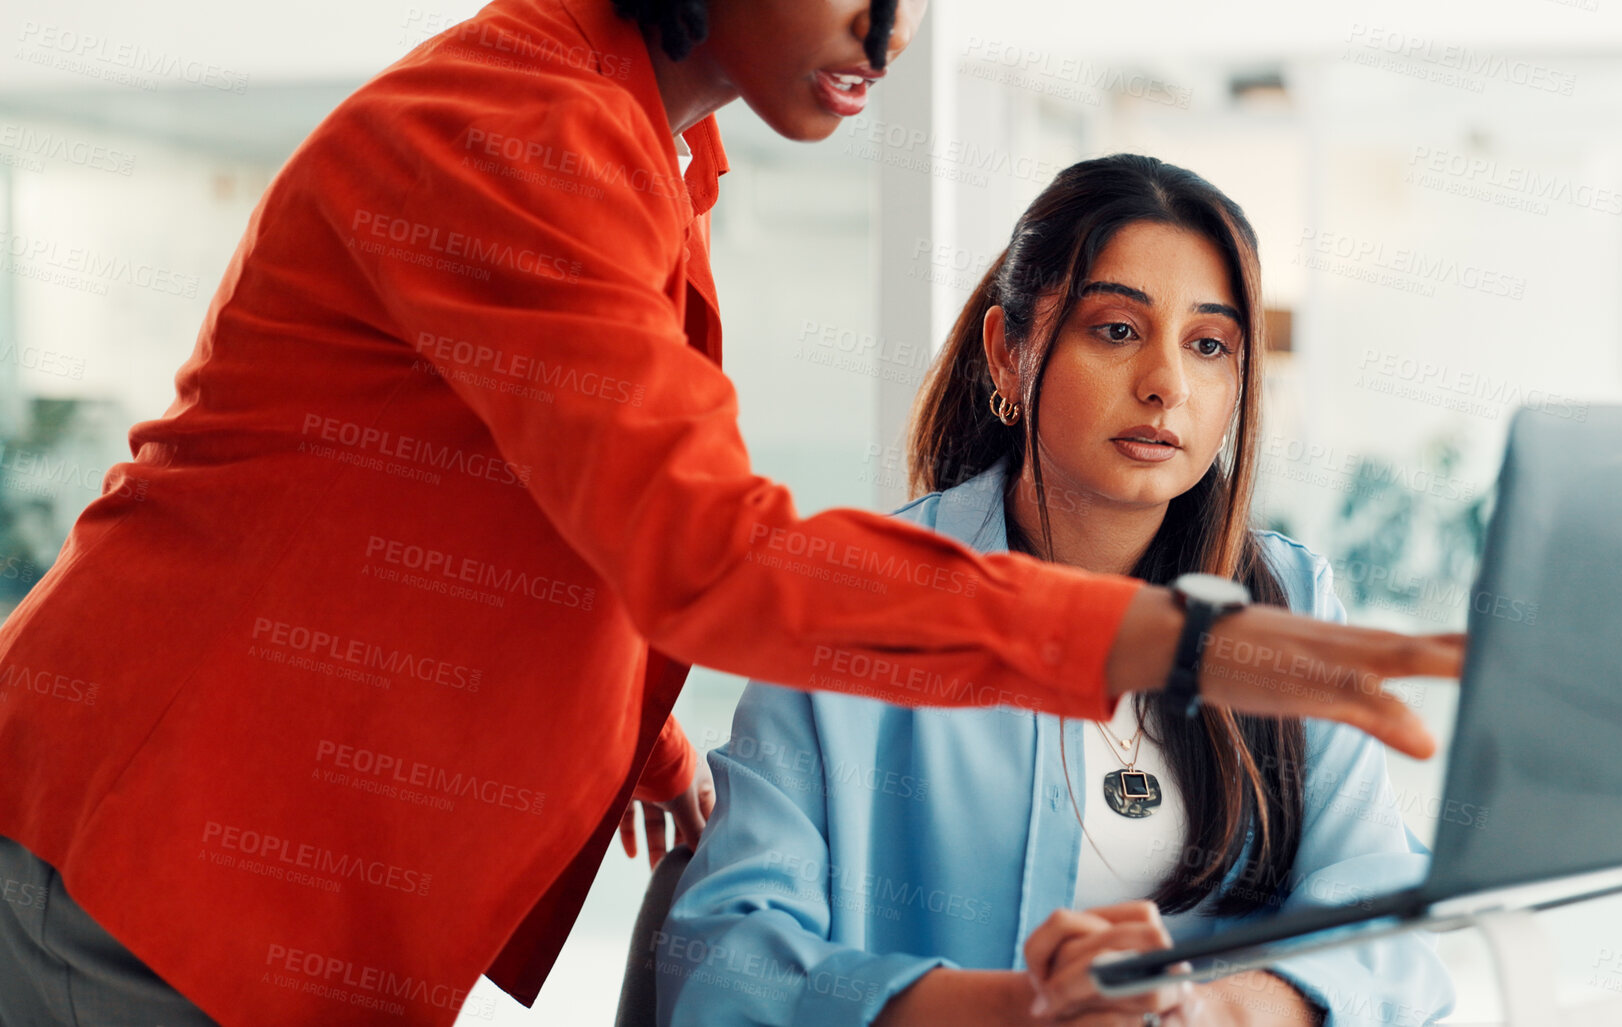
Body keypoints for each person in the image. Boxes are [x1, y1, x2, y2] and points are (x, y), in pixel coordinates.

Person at [0, 3, 1461, 1026]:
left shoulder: (654, 155)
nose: (887, 35)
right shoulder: (519, 130)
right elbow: (709, 555)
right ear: (1016, 353)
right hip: (146, 862)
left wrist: (624, 719)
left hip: (254, 883)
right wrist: (1165, 642)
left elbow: (548, 480)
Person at [652, 155, 1454, 1027]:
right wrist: (1017, 1012)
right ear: (1008, 352)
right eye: (1115, 331)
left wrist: (1208, 1013)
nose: (1166, 384)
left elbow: (1390, 929)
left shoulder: (1287, 598)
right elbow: (721, 961)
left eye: (1209, 344)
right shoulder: (856, 599)